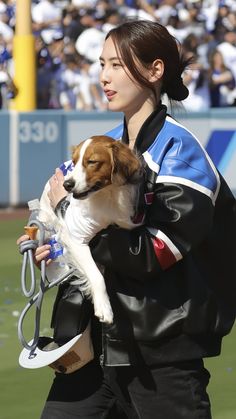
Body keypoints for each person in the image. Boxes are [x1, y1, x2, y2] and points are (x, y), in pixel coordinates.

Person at [17, 19, 236, 419]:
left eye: (117, 65)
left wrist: (75, 227)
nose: (104, 76)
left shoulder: (181, 153)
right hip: (90, 348)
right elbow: (54, 209)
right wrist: (52, 241)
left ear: (155, 71)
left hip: (159, 357)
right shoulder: (102, 146)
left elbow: (153, 252)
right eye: (102, 64)